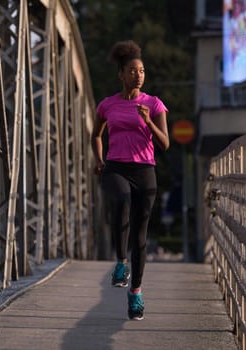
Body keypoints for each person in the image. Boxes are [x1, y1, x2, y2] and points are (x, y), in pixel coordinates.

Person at [91, 40, 169, 320]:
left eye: (142, 71)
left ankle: (135, 293)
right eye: (133, 70)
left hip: (145, 170)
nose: (139, 75)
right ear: (121, 74)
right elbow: (96, 135)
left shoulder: (154, 104)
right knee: (121, 198)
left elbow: (165, 144)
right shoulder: (108, 105)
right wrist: (99, 159)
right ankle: (121, 262)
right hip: (115, 167)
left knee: (141, 236)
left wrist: (148, 122)